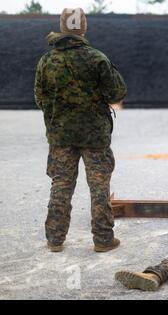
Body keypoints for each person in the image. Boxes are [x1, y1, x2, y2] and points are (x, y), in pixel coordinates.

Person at [34, 8, 127, 252]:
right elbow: (117, 93)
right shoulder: (97, 58)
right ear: (83, 28)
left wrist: (57, 114)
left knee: (61, 184)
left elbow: (39, 97)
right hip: (95, 136)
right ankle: (103, 240)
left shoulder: (47, 60)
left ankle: (55, 239)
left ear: (62, 27)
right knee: (99, 187)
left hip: (61, 135)